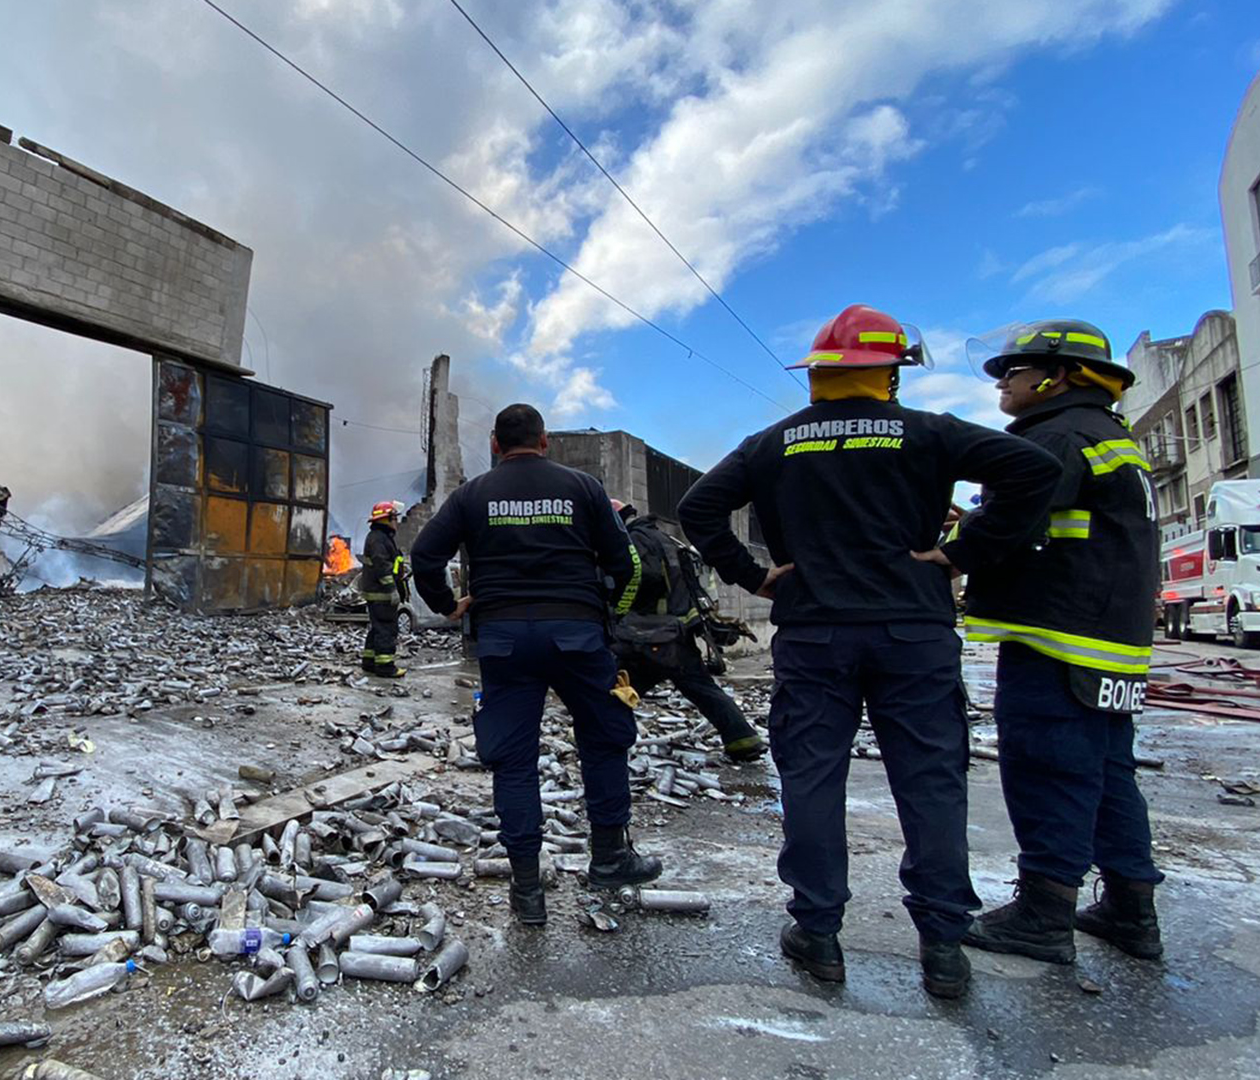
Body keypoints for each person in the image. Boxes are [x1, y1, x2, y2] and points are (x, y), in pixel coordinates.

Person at [678, 303, 1061, 998]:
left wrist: (753, 575)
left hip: (814, 632)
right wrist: (960, 554)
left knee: (812, 780)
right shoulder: (930, 433)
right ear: (889, 372)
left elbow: (699, 506)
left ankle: (819, 932)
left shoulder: (774, 442)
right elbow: (1033, 470)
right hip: (913, 632)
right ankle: (944, 944)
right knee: (930, 783)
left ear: (820, 372)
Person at [960, 320, 1165, 964]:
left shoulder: (1056, 436)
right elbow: (1057, 519)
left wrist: (946, 554)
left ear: (1060, 376)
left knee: (1048, 769)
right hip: (1108, 642)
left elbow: (1014, 526)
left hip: (1059, 638)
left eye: (1015, 371)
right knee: (1108, 776)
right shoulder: (1107, 436)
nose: (1005, 381)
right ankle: (1132, 910)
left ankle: (1044, 914)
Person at [411, 403, 657, 926]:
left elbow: (424, 557)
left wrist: (446, 606)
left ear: (496, 445)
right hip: (576, 636)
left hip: (503, 642)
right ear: (545, 441)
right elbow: (626, 560)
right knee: (605, 737)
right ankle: (610, 857)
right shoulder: (584, 488)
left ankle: (527, 891)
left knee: (514, 760)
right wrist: (608, 614)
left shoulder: (471, 494)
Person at [610, 500, 768, 761]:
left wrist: (617, 608)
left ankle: (605, 741)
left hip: (649, 634)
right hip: (674, 632)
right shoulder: (661, 537)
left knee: (617, 690)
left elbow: (641, 578)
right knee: (702, 689)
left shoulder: (637, 541)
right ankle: (743, 740)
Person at [358, 501, 408, 678]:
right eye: (394, 518)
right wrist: (392, 589)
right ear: (386, 519)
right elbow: (382, 566)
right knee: (386, 630)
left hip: (378, 593)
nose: (397, 522)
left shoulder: (379, 537)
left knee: (377, 629)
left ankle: (370, 662)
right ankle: (386, 666)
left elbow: (390, 565)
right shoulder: (379, 538)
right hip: (382, 594)